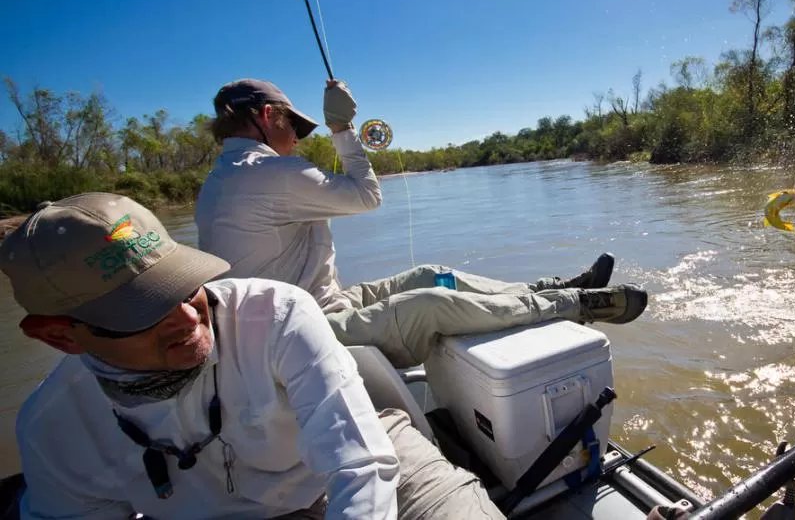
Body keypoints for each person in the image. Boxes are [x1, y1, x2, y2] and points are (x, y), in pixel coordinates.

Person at [0, 193, 505, 520]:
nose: (187, 316)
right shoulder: (52, 431)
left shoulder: (278, 312)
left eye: (183, 283)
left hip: (371, 460)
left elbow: (361, 465)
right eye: (142, 310)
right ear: (59, 336)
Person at [194, 78, 649, 368]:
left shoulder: (224, 178)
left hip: (318, 303)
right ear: (267, 116)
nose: (297, 136)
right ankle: (576, 302)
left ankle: (546, 286)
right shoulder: (268, 173)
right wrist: (341, 130)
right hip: (298, 330)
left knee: (430, 274)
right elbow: (367, 195)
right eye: (294, 124)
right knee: (431, 301)